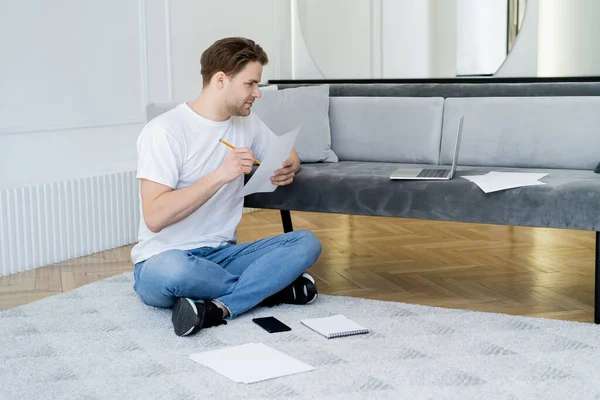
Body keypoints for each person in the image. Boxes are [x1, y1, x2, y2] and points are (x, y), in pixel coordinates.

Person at [130, 37, 322, 337]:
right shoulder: (165, 131)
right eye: (250, 84)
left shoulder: (247, 123)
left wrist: (288, 166)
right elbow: (155, 217)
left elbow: (288, 154)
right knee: (175, 270)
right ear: (221, 80)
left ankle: (217, 307)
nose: (257, 93)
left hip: (224, 256)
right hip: (165, 259)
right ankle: (269, 288)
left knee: (306, 242)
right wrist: (221, 174)